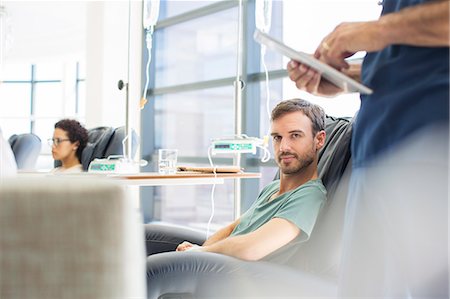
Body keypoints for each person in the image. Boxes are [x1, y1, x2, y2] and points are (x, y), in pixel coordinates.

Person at [287, 0, 449, 297]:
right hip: (376, 153)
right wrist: (338, 78)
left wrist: (375, 31)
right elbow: (408, 61)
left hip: (432, 147)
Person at [146, 98, 327, 264]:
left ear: (319, 140)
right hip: (214, 264)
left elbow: (251, 249)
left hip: (235, 277)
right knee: (143, 236)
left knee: (150, 270)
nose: (284, 147)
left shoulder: (309, 196)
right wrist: (197, 251)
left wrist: (203, 252)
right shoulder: (272, 188)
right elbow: (234, 227)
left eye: (295, 135)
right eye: (277, 137)